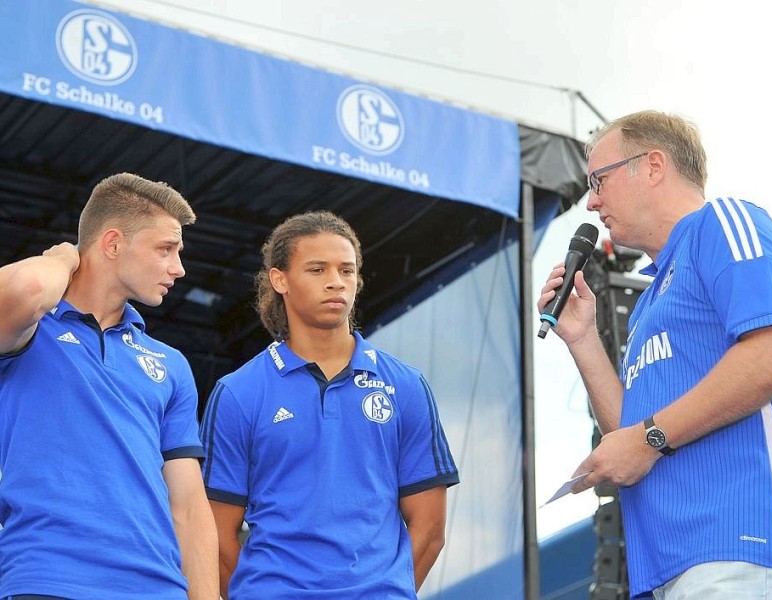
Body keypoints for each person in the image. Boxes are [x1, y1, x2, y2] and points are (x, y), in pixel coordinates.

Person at [538, 111, 772, 598]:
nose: (591, 201)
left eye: (600, 180)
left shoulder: (722, 222)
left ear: (654, 165)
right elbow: (630, 437)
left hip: (743, 547)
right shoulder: (648, 305)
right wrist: (583, 339)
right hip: (671, 566)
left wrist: (649, 437)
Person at [200, 210, 459, 599]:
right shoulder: (238, 392)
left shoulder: (406, 386)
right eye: (317, 270)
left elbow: (430, 529)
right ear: (279, 279)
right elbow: (215, 535)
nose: (336, 283)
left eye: (347, 271)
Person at [0, 173, 219, 599]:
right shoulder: (28, 330)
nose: (179, 267)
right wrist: (64, 259)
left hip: (159, 587)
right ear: (113, 243)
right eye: (166, 249)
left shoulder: (171, 364)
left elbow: (190, 507)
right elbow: (23, 287)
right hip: (49, 580)